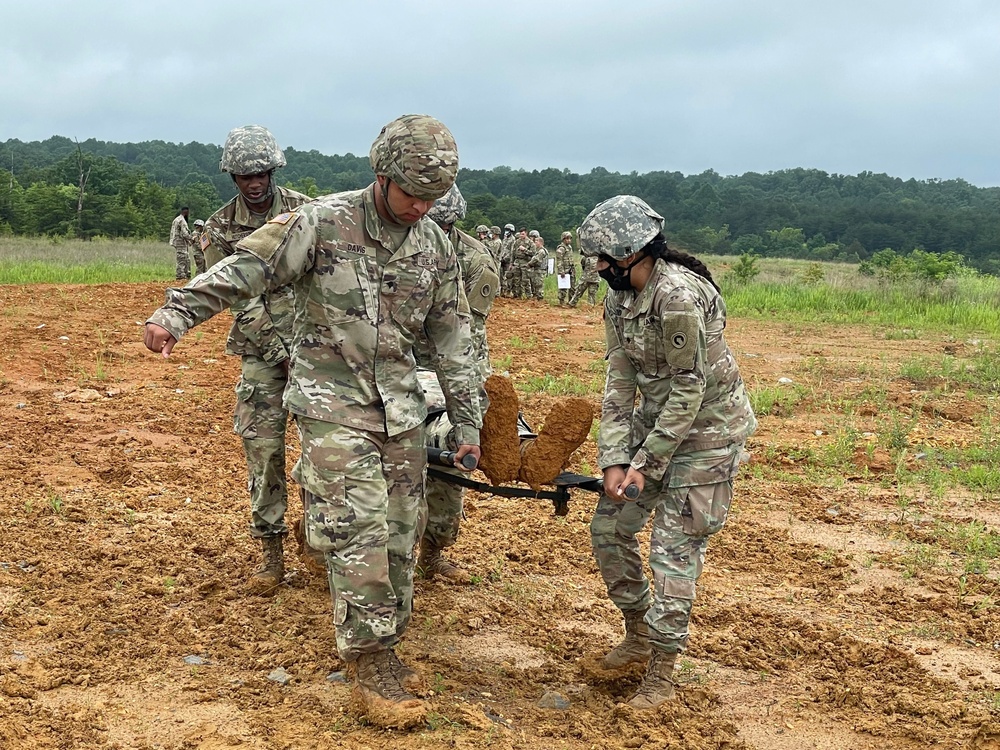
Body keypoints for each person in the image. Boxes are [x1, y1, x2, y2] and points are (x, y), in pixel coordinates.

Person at [143, 114, 482, 729]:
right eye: (412, 193)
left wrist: (467, 422)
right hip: (333, 404)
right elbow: (246, 267)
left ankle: (389, 640)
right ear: (382, 176)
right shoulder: (320, 222)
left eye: (433, 197)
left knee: (403, 531)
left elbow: (454, 337)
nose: (420, 207)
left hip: (401, 408)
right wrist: (177, 313)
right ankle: (370, 658)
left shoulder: (435, 243)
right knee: (357, 527)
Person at [578, 195, 756, 710]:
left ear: (632, 252)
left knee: (673, 554)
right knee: (609, 529)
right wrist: (614, 458)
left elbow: (688, 389)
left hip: (706, 437)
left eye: (604, 259)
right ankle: (637, 632)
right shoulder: (618, 297)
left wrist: (643, 463)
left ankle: (661, 673)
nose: (598, 269)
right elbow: (619, 376)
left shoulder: (675, 296)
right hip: (653, 429)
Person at [200, 125, 312, 594]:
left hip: (314, 350)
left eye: (261, 172)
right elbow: (234, 296)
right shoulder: (218, 228)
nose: (254, 182)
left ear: (273, 170)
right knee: (263, 453)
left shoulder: (308, 212)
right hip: (261, 354)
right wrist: (274, 346)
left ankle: (324, 539)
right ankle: (271, 553)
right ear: (232, 177)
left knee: (327, 451)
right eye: (244, 175)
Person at [420, 185, 499, 583]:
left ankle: (433, 552)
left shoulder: (474, 260)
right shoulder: (399, 243)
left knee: (451, 462)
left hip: (447, 370)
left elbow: (464, 336)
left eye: (443, 223)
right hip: (396, 365)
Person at [508, 227, 533, 299]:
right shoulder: (517, 242)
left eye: (523, 234)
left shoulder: (530, 242)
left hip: (525, 262)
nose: (521, 236)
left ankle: (529, 296)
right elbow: (513, 253)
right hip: (517, 262)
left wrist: (525, 250)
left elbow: (533, 253)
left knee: (525, 280)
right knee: (516, 280)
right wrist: (511, 263)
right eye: (520, 234)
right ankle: (518, 295)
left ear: (526, 233)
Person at [169, 207, 192, 280]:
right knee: (182, 259)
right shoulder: (182, 220)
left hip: (177, 241)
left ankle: (185, 274)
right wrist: (191, 239)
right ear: (186, 212)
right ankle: (180, 276)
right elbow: (184, 233)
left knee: (186, 258)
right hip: (180, 242)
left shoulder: (176, 219)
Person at [555, 231, 577, 306]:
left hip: (571, 269)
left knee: (573, 286)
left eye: (570, 239)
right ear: (563, 239)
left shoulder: (569, 247)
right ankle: (561, 301)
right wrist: (561, 271)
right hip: (564, 270)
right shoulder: (561, 248)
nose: (569, 240)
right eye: (567, 239)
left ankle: (571, 302)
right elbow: (559, 260)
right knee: (563, 287)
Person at [527, 232, 548, 301]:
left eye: (536, 241)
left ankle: (540, 298)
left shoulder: (541, 251)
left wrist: (529, 264)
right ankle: (537, 297)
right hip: (537, 269)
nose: (535, 243)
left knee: (539, 284)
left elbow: (536, 259)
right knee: (535, 283)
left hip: (540, 270)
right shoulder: (538, 250)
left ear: (540, 242)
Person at [498, 223, 516, 296]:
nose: (506, 231)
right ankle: (501, 291)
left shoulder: (513, 239)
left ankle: (507, 291)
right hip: (502, 259)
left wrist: (506, 259)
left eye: (508, 230)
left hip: (508, 261)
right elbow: (502, 249)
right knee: (501, 276)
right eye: (506, 230)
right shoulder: (504, 238)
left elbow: (512, 251)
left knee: (507, 276)